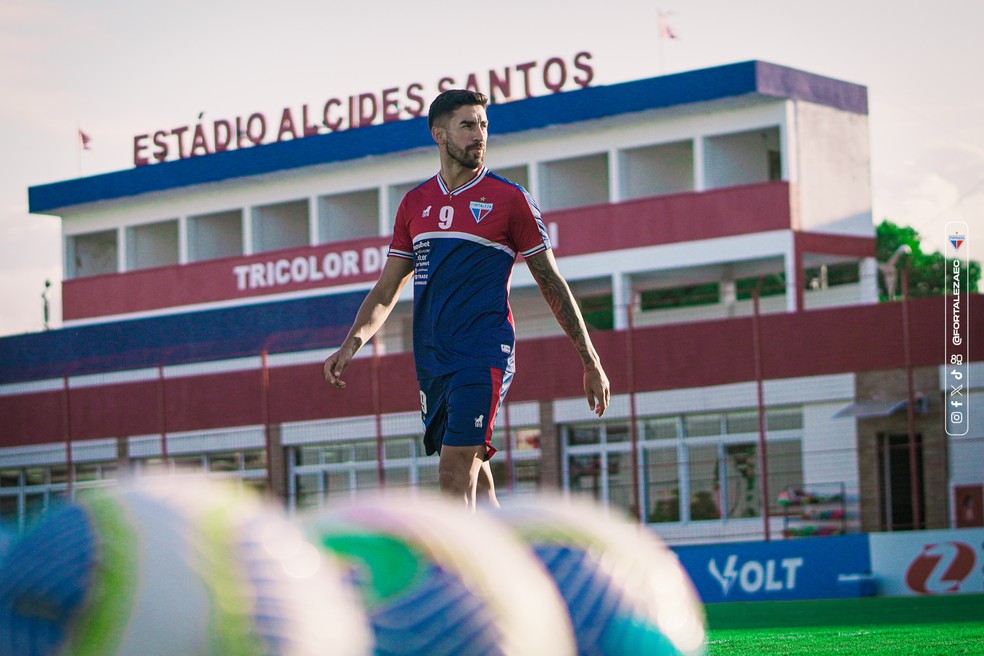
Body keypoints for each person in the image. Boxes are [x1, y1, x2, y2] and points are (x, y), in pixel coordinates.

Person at [324, 89, 610, 508]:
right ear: (439, 134)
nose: (479, 135)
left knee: (453, 472)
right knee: (477, 475)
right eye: (467, 125)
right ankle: (505, 546)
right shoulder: (414, 204)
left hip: (483, 353)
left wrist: (591, 360)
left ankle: (454, 554)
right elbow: (386, 290)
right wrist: (351, 344)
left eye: (483, 125)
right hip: (432, 360)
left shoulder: (510, 199)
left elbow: (552, 282)